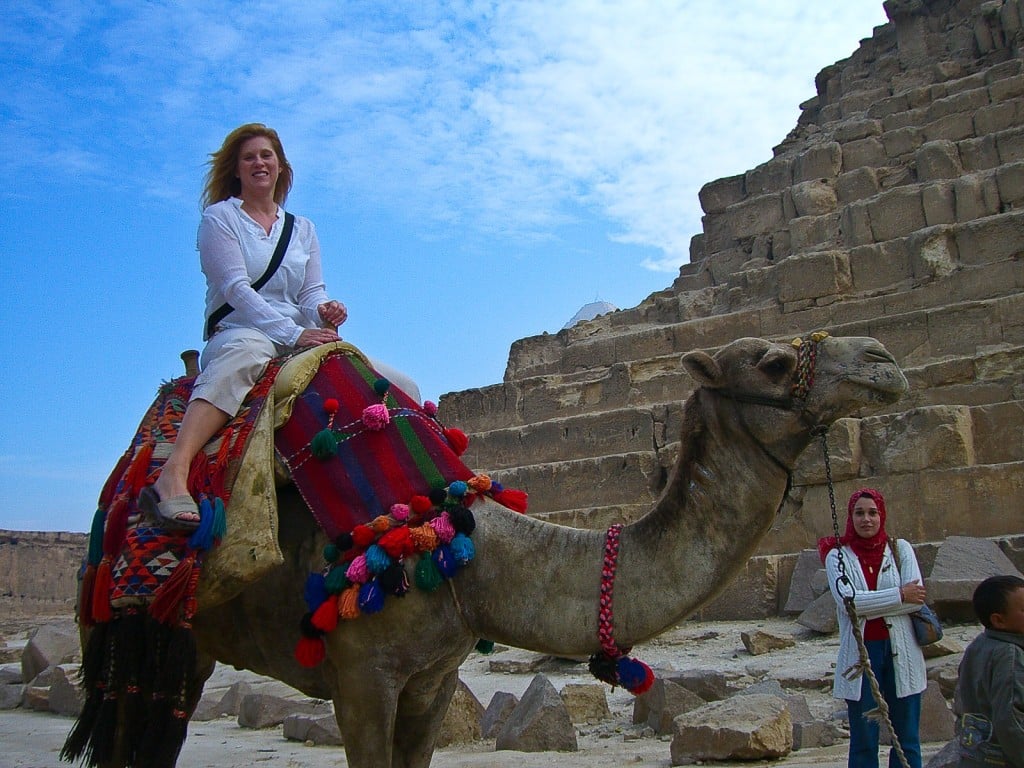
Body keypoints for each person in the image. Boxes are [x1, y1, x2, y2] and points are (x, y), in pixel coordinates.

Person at [140, 123, 349, 528]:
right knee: (247, 354)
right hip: (240, 331)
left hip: (298, 338)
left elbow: (310, 294)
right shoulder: (219, 219)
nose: (259, 163)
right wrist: (293, 333)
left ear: (280, 166)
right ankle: (174, 473)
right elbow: (236, 289)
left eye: (266, 155)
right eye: (249, 157)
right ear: (236, 170)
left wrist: (326, 311)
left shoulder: (303, 229)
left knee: (378, 377)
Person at [819, 488, 928, 768]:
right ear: (850, 517)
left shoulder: (900, 549)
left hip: (901, 654)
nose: (866, 519)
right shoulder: (837, 556)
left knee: (907, 738)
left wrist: (889, 600)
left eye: (872, 513)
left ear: (882, 515)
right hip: (862, 657)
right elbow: (849, 604)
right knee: (864, 740)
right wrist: (898, 595)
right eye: (859, 513)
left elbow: (916, 600)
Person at [953, 574, 1024, 767]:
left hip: (974, 754)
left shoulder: (978, 645)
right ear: (999, 620)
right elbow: (1010, 721)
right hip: (1001, 758)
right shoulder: (1009, 654)